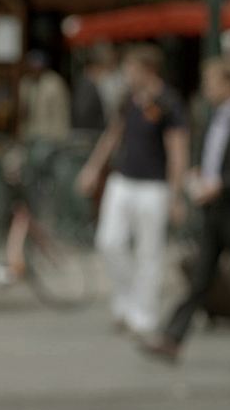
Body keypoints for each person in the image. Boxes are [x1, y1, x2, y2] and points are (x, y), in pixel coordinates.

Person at [143, 58, 230, 369]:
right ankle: (173, 338)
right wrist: (201, 173)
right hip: (215, 212)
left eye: (212, 82)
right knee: (201, 277)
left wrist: (220, 184)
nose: (207, 88)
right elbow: (214, 155)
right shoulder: (212, 117)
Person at [76, 45, 189, 338]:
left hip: (154, 186)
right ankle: (126, 299)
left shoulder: (168, 102)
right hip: (123, 180)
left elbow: (177, 150)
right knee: (109, 242)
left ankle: (144, 312)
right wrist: (93, 168)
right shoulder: (128, 99)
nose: (126, 74)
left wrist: (176, 195)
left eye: (130, 69)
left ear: (147, 70)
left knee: (148, 251)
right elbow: (113, 135)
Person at [18, 50, 70, 142]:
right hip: (29, 134)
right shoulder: (25, 82)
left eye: (37, 66)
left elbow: (61, 113)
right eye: (32, 66)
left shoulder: (54, 83)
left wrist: (59, 137)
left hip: (49, 136)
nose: (35, 69)